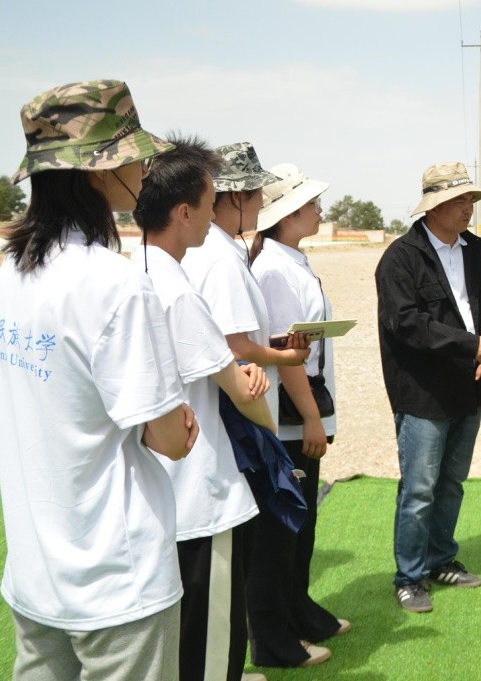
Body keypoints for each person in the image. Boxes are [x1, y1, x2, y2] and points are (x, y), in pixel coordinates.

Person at [0, 79, 199, 680]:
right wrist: (174, 420)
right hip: (114, 575)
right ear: (99, 172)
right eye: (131, 155)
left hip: (36, 567)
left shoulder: (13, 269)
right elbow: (171, 438)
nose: (142, 168)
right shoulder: (113, 280)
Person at [181, 143, 339, 669]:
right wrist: (283, 353)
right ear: (242, 198)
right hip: (246, 410)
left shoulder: (227, 253)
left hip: (246, 405)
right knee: (268, 537)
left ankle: (279, 630)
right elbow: (237, 344)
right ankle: (270, 643)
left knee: (270, 534)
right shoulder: (227, 259)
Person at [132, 136, 277, 681]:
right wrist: (270, 429)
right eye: (212, 199)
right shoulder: (176, 289)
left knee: (184, 636)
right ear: (184, 210)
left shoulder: (133, 269)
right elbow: (239, 388)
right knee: (214, 648)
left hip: (160, 489)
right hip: (202, 489)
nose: (217, 211)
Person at [376, 162, 481, 613]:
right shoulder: (400, 258)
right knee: (419, 487)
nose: (469, 208)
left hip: (467, 386)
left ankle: (440, 559)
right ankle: (409, 577)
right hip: (423, 391)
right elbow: (407, 324)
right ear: (435, 206)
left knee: (450, 482)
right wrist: (472, 346)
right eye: (461, 200)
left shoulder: (474, 251)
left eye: (471, 199)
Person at [250, 164, 349, 648]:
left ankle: (298, 610)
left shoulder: (288, 259)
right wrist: (310, 416)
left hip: (305, 405)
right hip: (291, 414)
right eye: (310, 202)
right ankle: (273, 634)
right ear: (287, 214)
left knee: (301, 524)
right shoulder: (272, 269)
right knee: (282, 529)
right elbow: (286, 354)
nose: (319, 208)